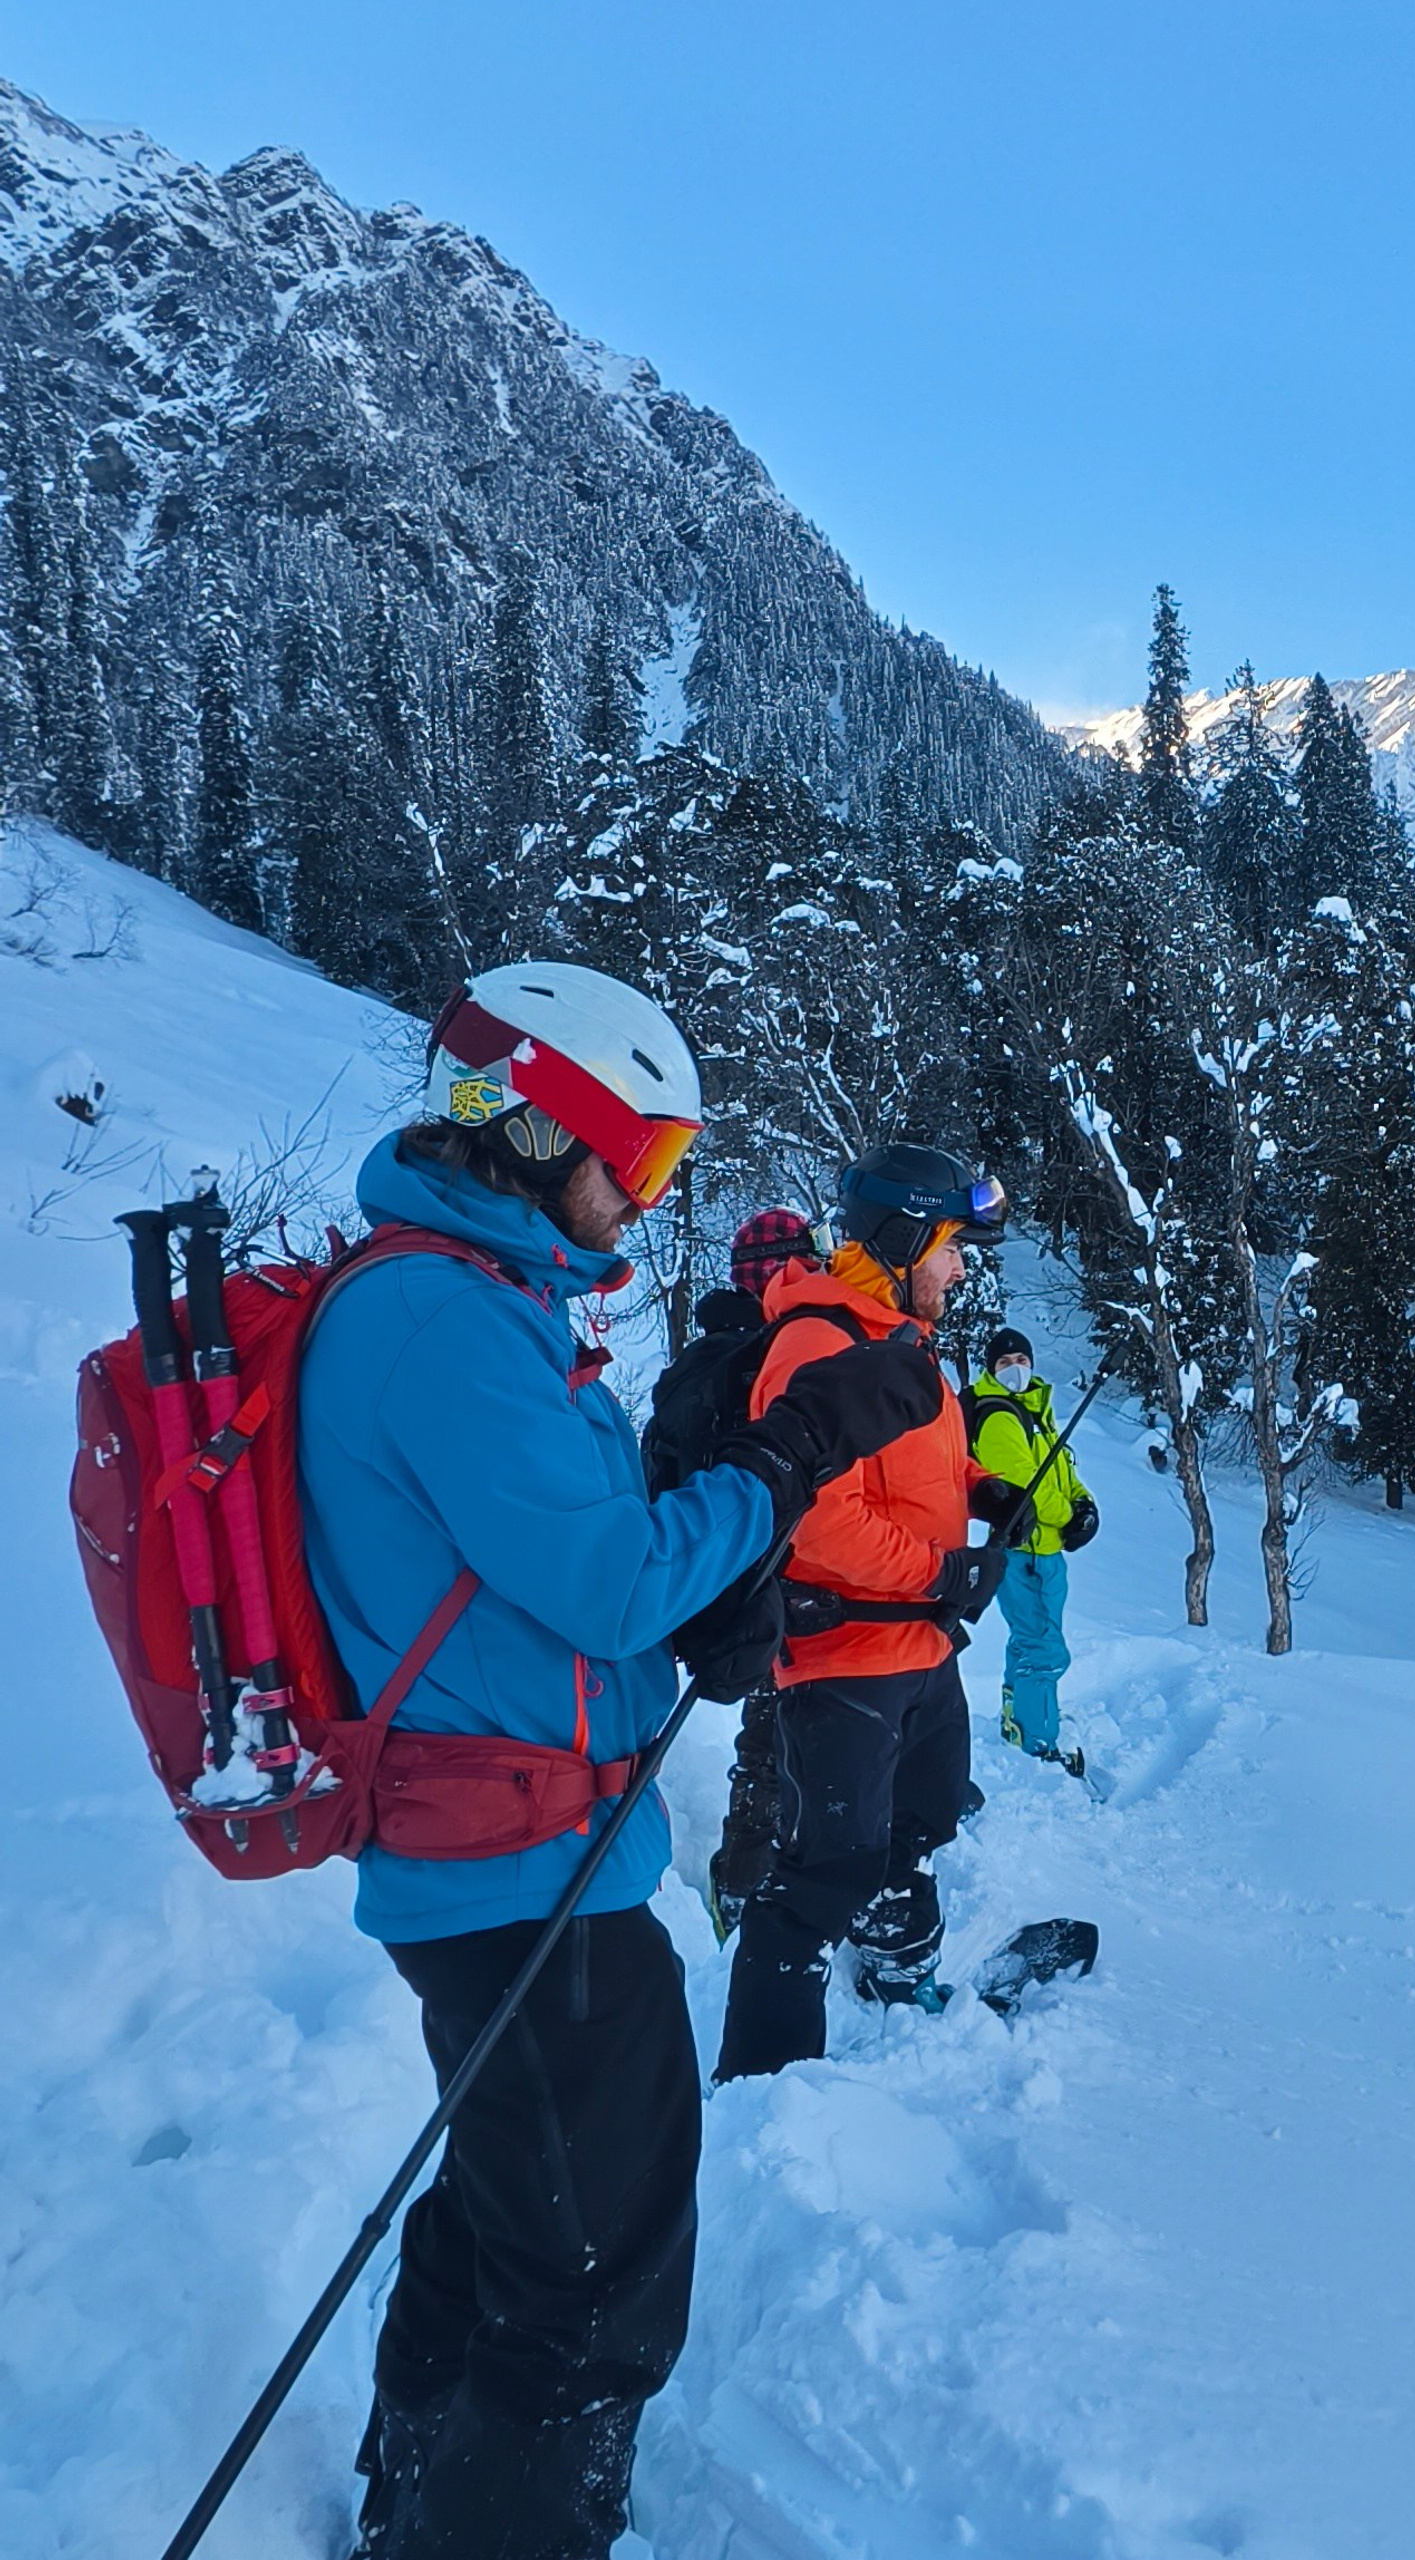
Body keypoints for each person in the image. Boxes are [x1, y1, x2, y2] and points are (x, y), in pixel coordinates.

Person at [298, 965, 943, 2560]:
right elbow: (605, 1579)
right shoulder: (446, 1322)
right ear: (535, 1129)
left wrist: (694, 1606)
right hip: (518, 1880)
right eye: (637, 1159)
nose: (643, 1201)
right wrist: (776, 1473)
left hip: (518, 1855)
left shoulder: (471, 1304)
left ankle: (413, 2503)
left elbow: (557, 1591)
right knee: (595, 2288)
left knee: (515, 2208)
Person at [713, 1141, 1025, 2081]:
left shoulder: (900, 1340)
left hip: (922, 1652)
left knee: (922, 1823)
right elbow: (817, 1523)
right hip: (846, 1659)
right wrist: (940, 1572)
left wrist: (986, 1490)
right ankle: (764, 2087)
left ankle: (897, 1972)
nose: (962, 1266)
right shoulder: (817, 1343)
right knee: (816, 1881)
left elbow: (917, 1464)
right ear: (900, 1238)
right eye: (951, 1246)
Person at [698, 1208, 823, 1927]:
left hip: (765, 1575)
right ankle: (745, 1883)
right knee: (774, 1745)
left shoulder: (727, 1346)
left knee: (775, 1742)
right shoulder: (762, 1352)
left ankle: (749, 1878)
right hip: (775, 1577)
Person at [964, 1324, 1099, 1772]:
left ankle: (1019, 1720)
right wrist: (1067, 1516)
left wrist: (1083, 1503)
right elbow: (1027, 1484)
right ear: (991, 1369)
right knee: (1043, 1649)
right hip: (1025, 1552)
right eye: (1005, 1363)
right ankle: (1038, 1745)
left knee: (1029, 1642)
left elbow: (1059, 1466)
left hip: (1042, 1551)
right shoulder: (1001, 1415)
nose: (1016, 1369)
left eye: (1022, 1361)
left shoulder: (1033, 1411)